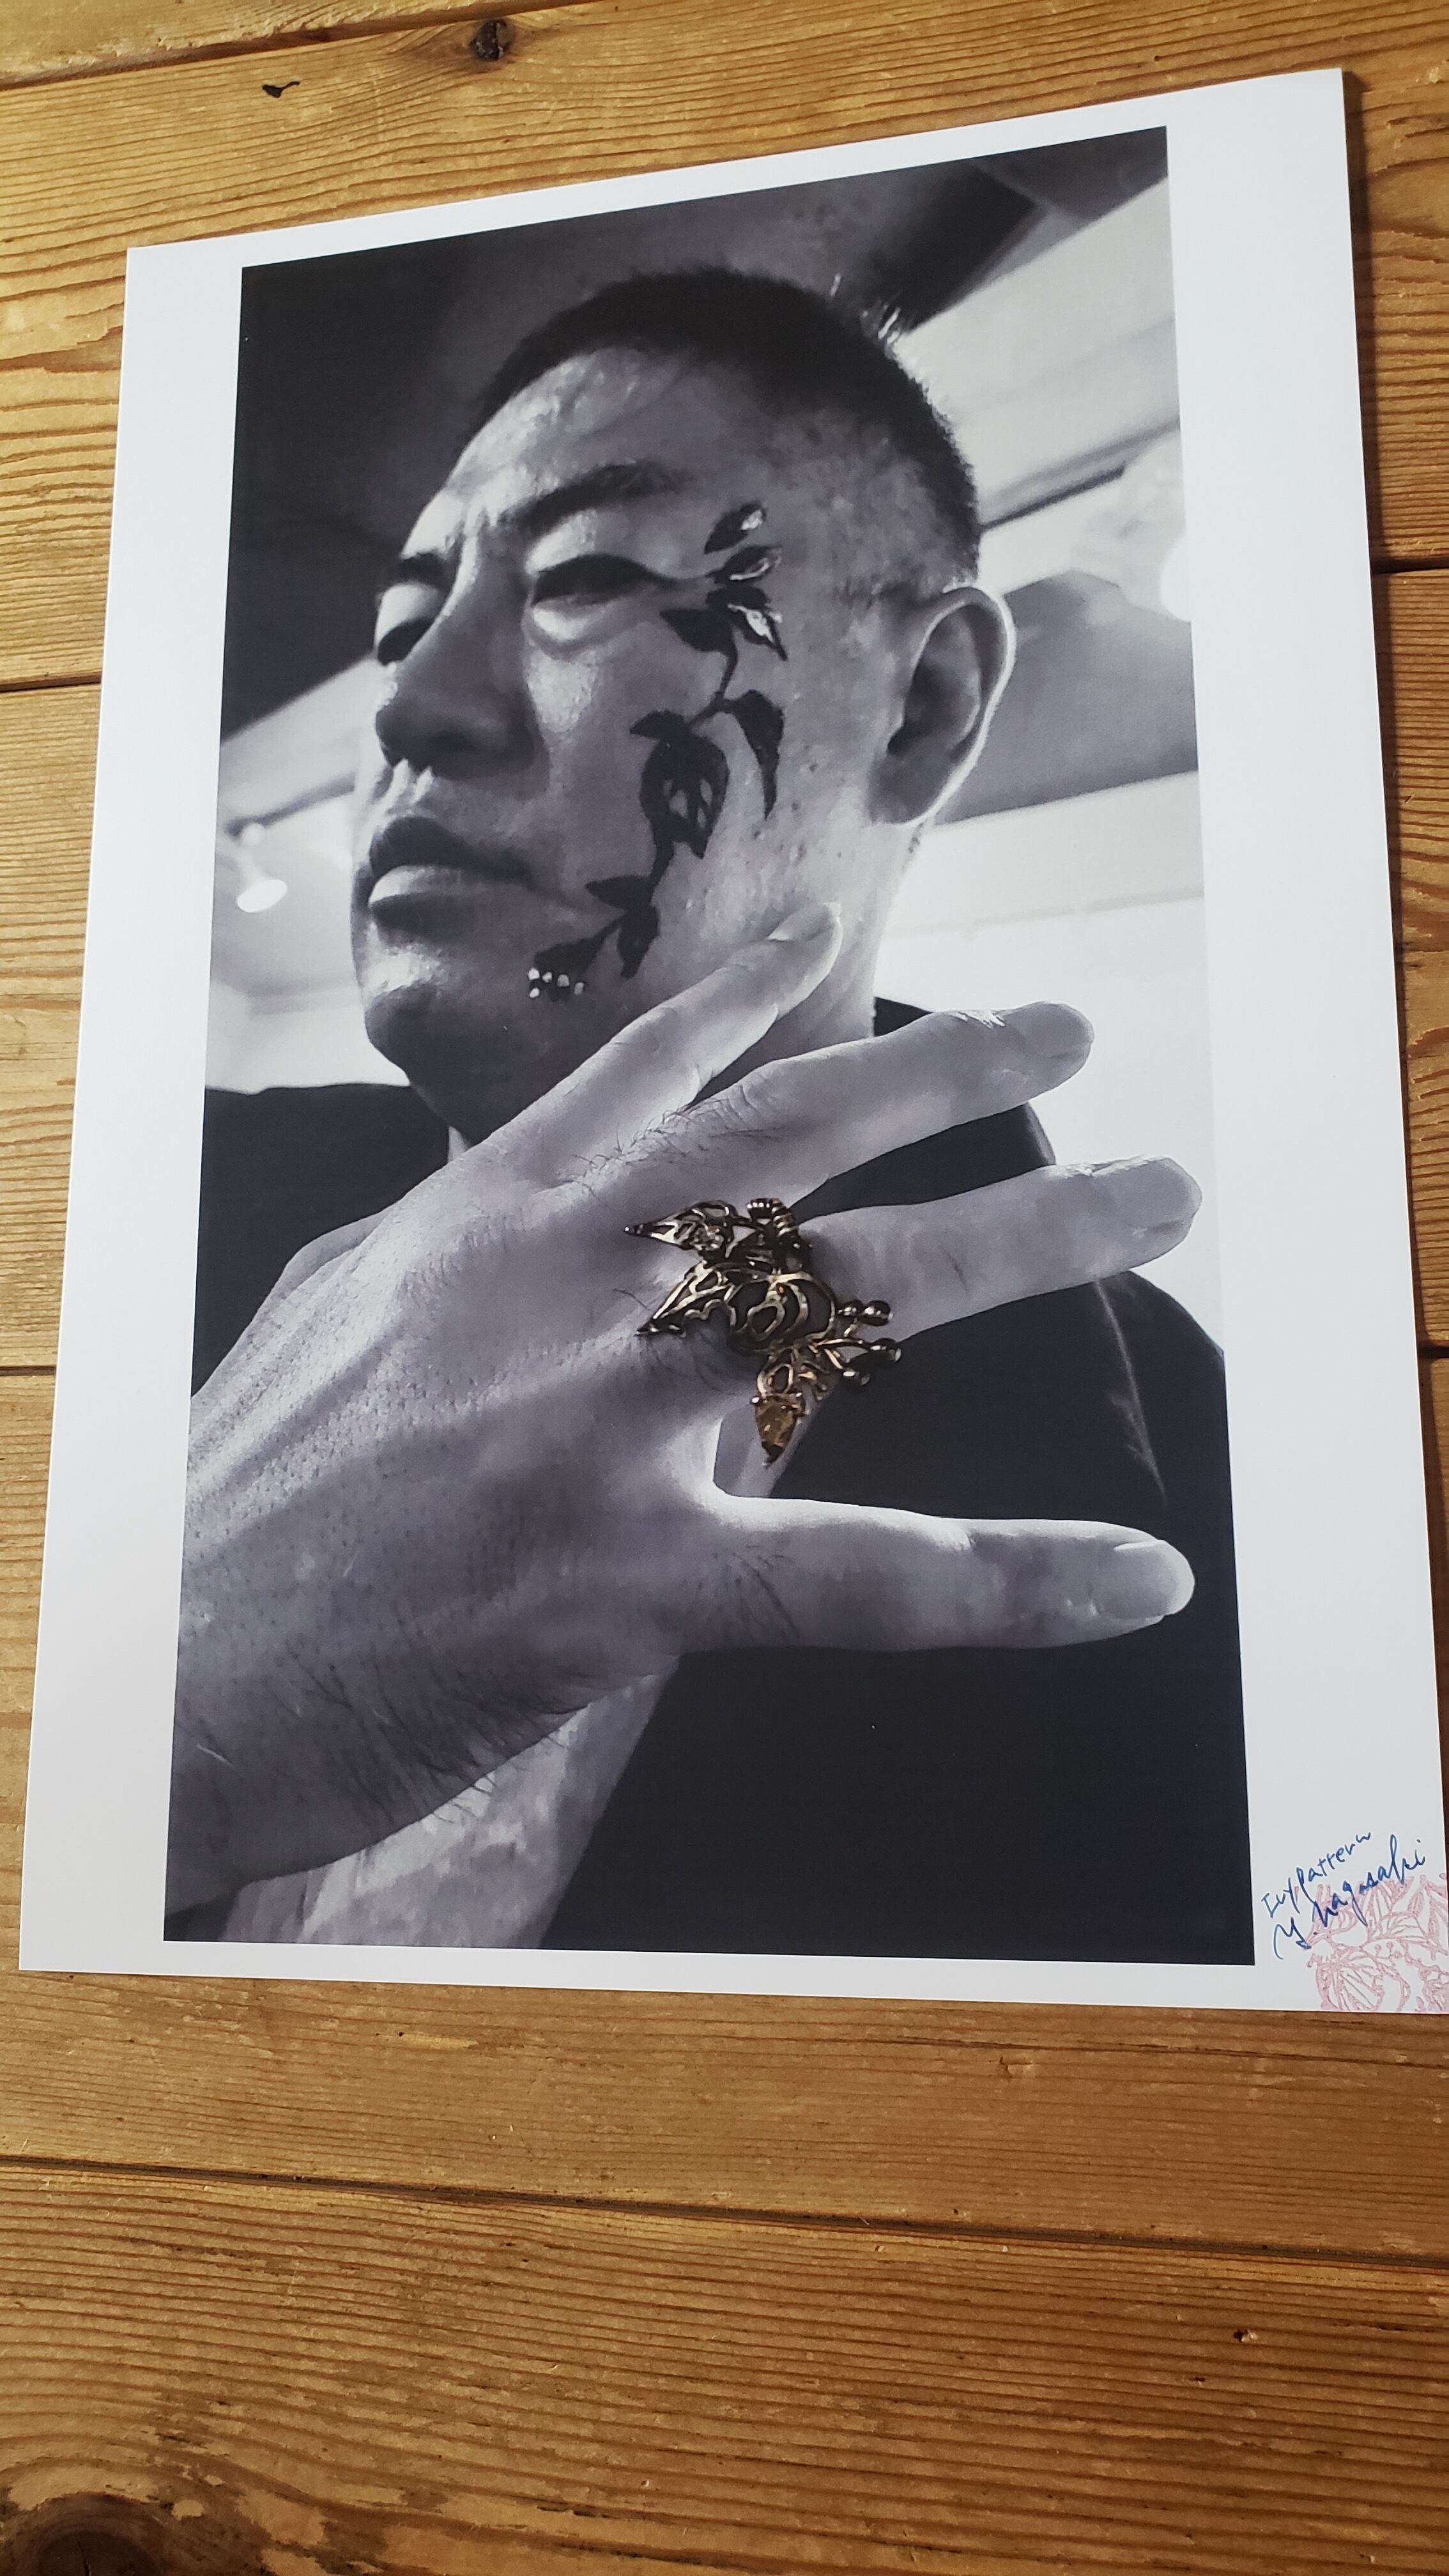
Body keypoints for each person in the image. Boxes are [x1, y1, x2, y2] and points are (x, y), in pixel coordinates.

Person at [171, 272, 1251, 1961]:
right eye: (400, 625)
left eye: (586, 577)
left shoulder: (1201, 1489)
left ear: (922, 708)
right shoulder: (145, 1216)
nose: (408, 708)